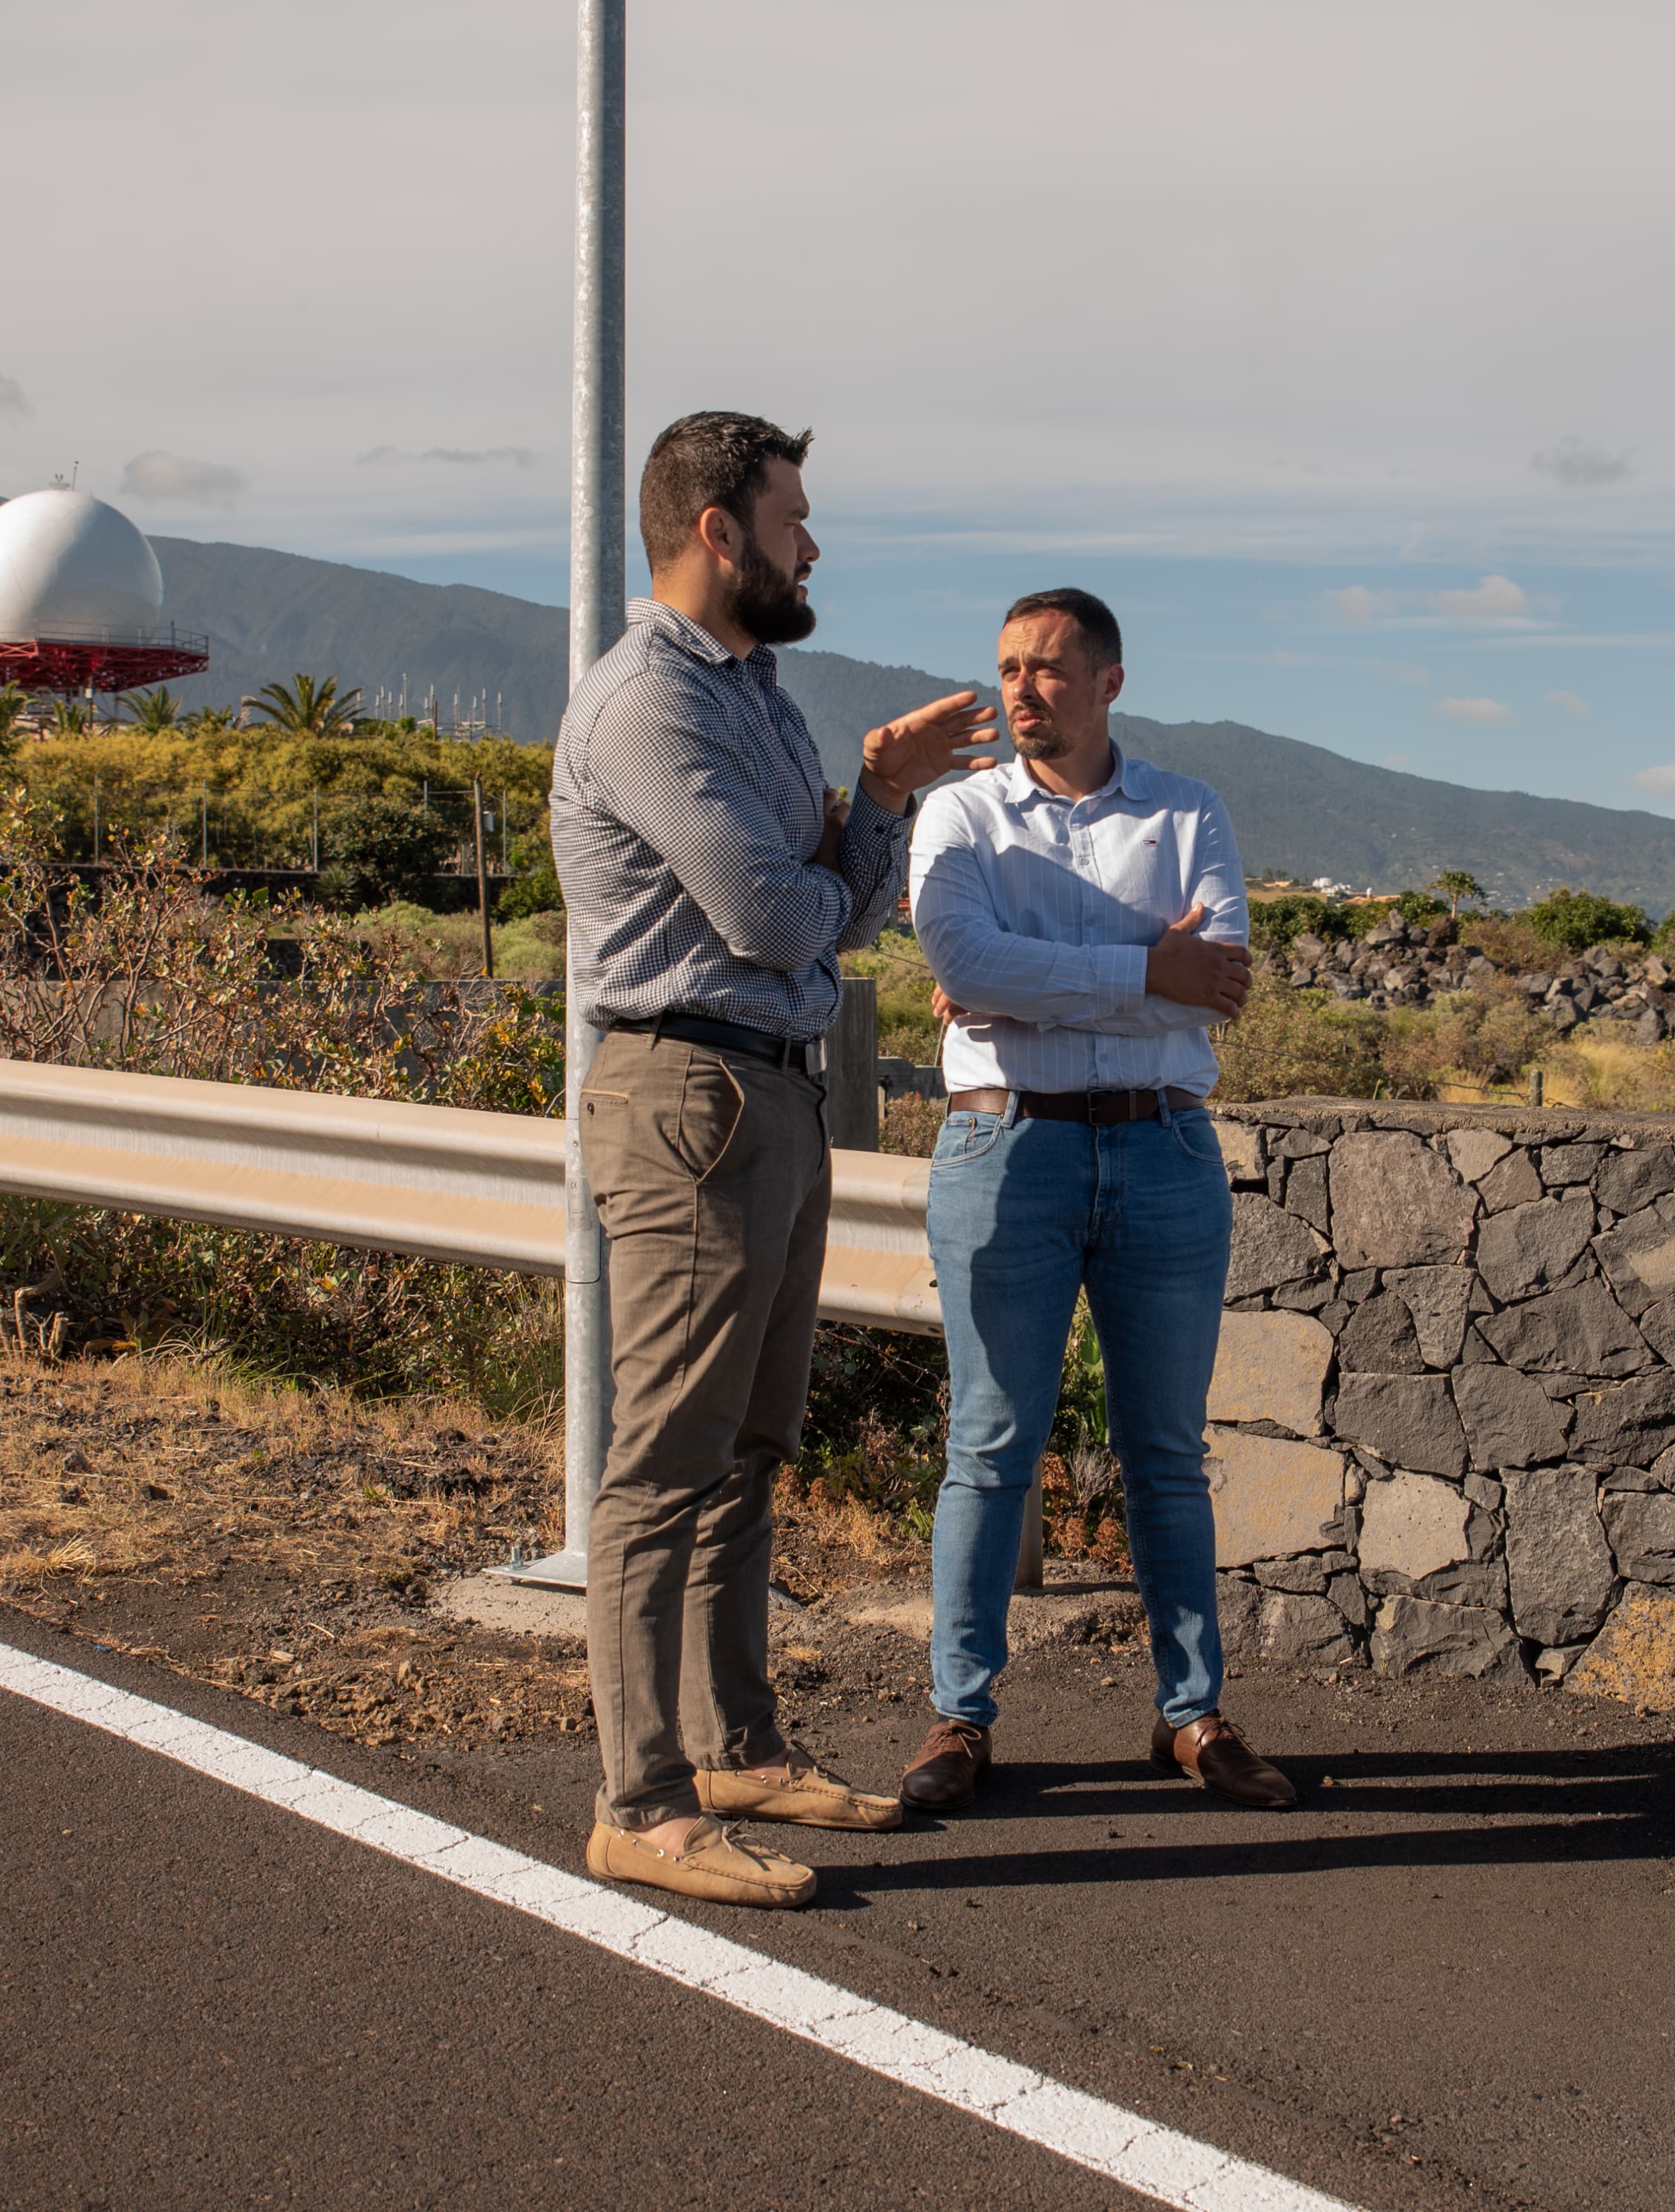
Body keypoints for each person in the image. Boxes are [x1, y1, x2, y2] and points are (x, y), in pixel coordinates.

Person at [549, 412, 997, 1909]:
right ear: (718, 533)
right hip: (689, 1090)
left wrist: (865, 801)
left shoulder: (758, 695)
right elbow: (783, 916)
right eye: (794, 516)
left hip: (775, 1093)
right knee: (663, 1463)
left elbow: (842, 900)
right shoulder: (644, 710)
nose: (815, 545)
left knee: (747, 1449)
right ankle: (640, 1799)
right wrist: (851, 825)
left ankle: (734, 1743)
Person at [895, 588, 1298, 1816]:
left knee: (1167, 1454)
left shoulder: (1188, 811)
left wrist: (1031, 991)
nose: (1023, 689)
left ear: (1110, 680)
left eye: (1051, 668)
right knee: (990, 1445)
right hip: (1004, 1153)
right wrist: (1139, 967)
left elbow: (1213, 985)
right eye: (1009, 667)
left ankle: (1193, 1715)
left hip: (1162, 1150)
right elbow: (962, 963)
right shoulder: (957, 811)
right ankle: (958, 1717)